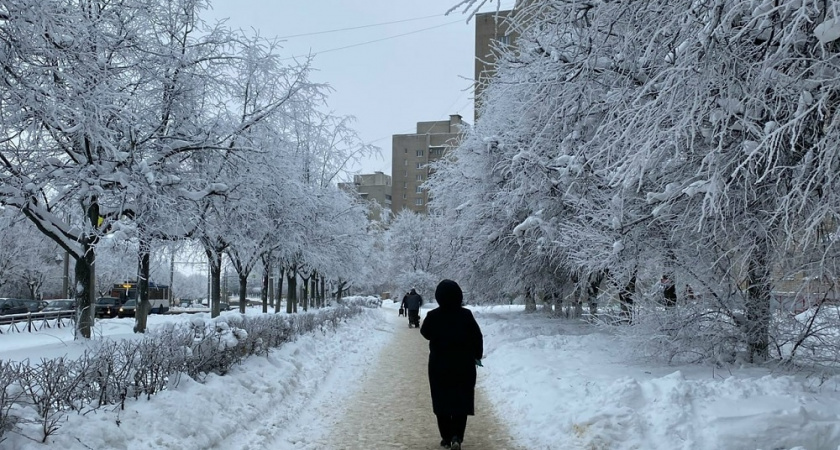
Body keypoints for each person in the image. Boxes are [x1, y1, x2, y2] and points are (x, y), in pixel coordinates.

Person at [420, 279, 483, 450]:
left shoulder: (433, 316)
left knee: (442, 401)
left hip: (439, 366)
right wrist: (477, 356)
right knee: (461, 400)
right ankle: (457, 436)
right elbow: (477, 337)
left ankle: (446, 438)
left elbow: (425, 333)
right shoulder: (466, 315)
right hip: (464, 365)